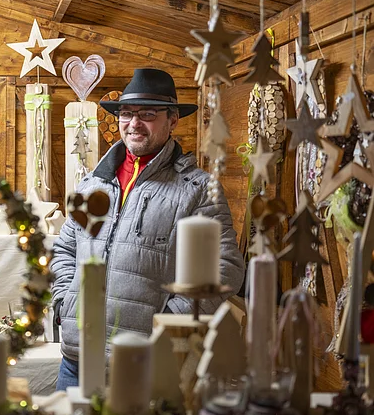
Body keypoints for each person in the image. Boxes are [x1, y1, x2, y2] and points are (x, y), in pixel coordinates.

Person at [49, 68, 245, 391]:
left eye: (148, 114)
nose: (134, 123)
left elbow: (226, 269)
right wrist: (62, 301)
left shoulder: (196, 190)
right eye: (127, 113)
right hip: (77, 359)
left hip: (146, 363)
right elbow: (65, 249)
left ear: (172, 121)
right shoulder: (93, 183)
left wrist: (169, 326)